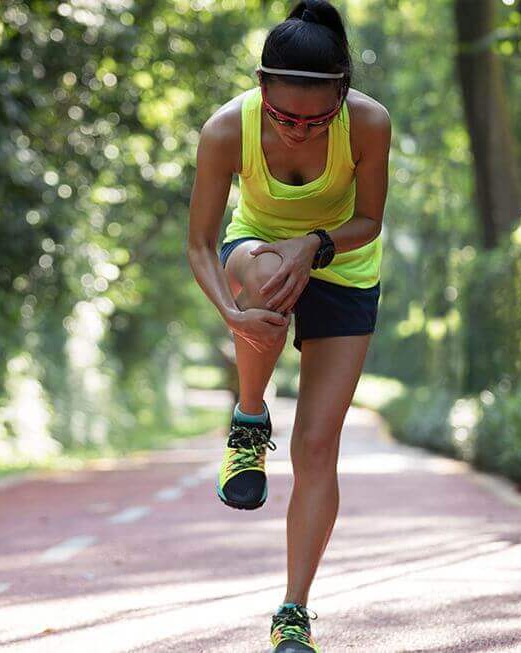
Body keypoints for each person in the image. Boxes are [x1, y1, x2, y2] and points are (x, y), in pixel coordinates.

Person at [186, 1, 391, 651]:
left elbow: (370, 221)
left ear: (343, 93)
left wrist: (317, 242)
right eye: (282, 116)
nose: (299, 131)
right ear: (259, 85)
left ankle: (293, 612)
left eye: (316, 118)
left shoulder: (369, 124)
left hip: (345, 266)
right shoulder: (225, 130)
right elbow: (199, 243)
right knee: (269, 269)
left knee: (316, 447)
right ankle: (248, 418)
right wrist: (232, 314)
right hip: (257, 252)